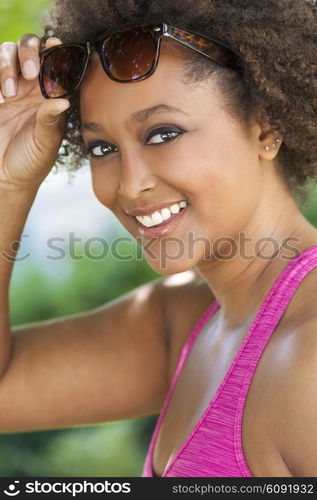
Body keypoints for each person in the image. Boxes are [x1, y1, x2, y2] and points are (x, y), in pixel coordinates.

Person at [0, 0, 316, 478]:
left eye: (162, 133)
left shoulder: (308, 356)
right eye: (102, 148)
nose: (129, 185)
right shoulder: (182, 323)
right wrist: (8, 183)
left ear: (265, 126)